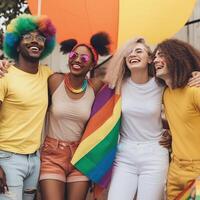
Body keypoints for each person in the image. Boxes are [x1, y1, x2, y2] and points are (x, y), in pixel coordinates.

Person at [39, 33, 111, 200]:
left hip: (80, 156)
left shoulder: (96, 86)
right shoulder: (54, 80)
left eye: (84, 58)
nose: (77, 60)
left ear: (92, 64)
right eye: (74, 55)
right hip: (52, 155)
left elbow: (121, 79)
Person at [105, 38, 170, 200]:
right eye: (129, 52)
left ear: (150, 59)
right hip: (125, 153)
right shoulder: (117, 85)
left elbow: (178, 110)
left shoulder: (162, 85)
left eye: (138, 51)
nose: (132, 54)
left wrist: (197, 75)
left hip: (155, 153)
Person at [0, 14, 56, 200]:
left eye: (40, 38)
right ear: (16, 44)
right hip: (7, 158)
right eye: (28, 37)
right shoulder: (4, 75)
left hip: (34, 159)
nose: (35, 41)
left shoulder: (47, 75)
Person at [153, 38, 200, 200]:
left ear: (177, 58)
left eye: (162, 55)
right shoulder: (166, 94)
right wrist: (171, 134)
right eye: (155, 56)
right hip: (175, 169)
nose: (155, 60)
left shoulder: (194, 90)